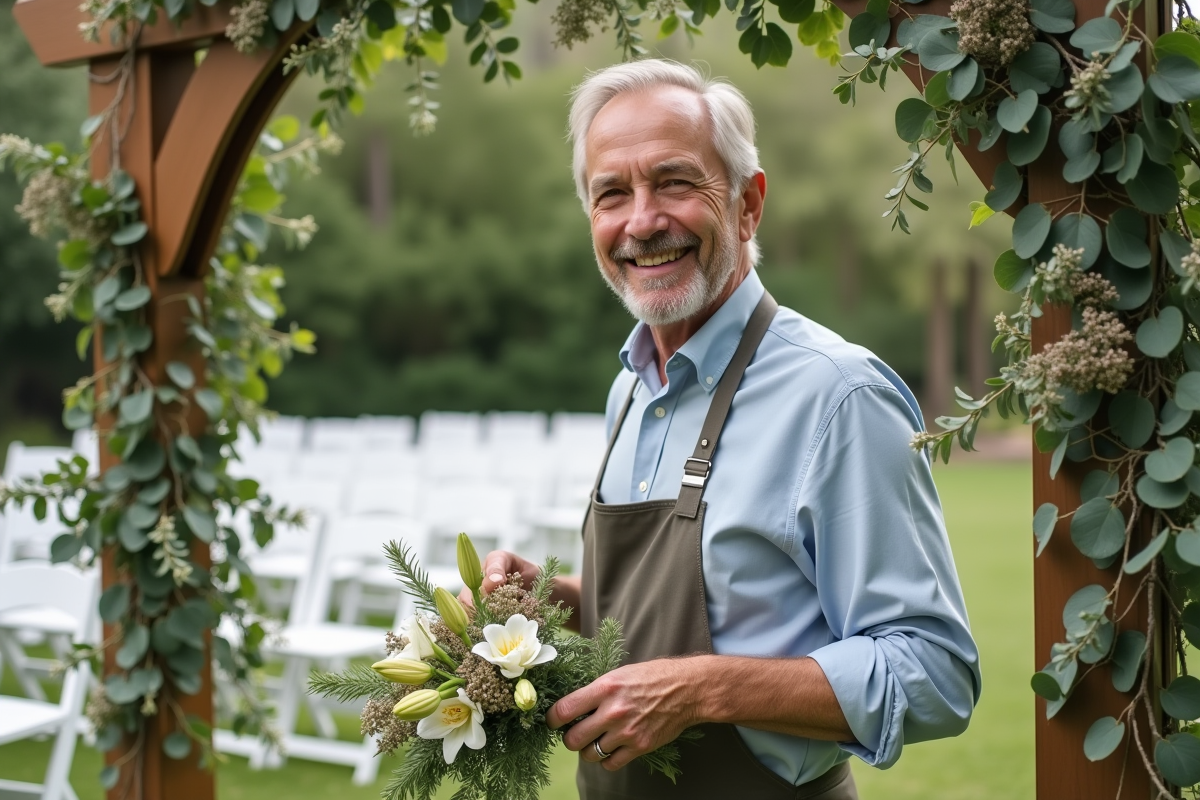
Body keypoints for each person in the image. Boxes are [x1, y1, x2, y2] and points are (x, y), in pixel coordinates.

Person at [467, 59, 981, 800]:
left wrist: (704, 691)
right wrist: (554, 601)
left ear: (748, 203)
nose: (641, 221)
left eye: (674, 182)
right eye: (613, 193)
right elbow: (700, 604)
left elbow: (934, 673)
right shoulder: (630, 389)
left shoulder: (837, 397)